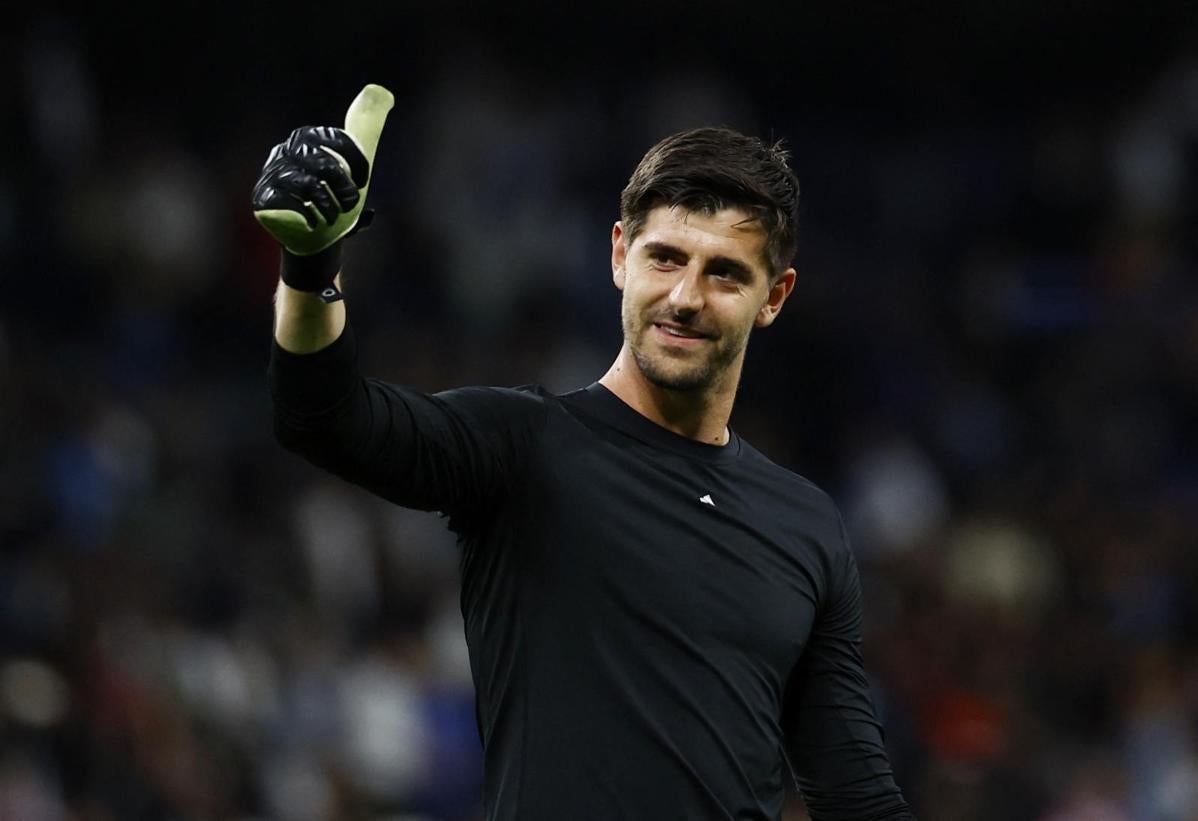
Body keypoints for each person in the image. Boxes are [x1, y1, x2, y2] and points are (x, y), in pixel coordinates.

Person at [255, 85, 915, 821]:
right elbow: (325, 417)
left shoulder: (806, 525)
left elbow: (858, 797)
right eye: (665, 258)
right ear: (618, 257)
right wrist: (310, 271)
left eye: (724, 271)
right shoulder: (522, 445)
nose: (686, 296)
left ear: (775, 296)